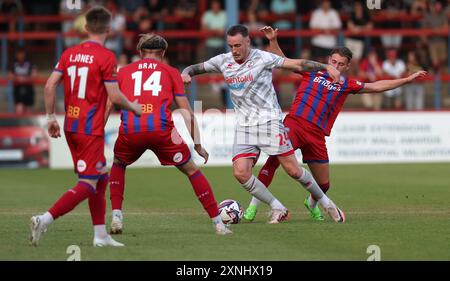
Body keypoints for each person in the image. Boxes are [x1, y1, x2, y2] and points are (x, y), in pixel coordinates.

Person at [243, 26, 427, 222]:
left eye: (341, 64)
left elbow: (376, 86)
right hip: (294, 124)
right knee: (273, 161)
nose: (336, 66)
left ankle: (312, 203)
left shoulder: (347, 84)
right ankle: (252, 208)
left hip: (316, 134)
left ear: (347, 67)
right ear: (328, 61)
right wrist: (273, 41)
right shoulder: (312, 72)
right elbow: (282, 61)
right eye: (333, 62)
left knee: (323, 184)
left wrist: (407, 79)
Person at [182, 24, 346, 224]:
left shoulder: (263, 58)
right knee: (241, 172)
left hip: (269, 122)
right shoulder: (223, 61)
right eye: (231, 46)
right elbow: (195, 68)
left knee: (293, 170)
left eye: (238, 45)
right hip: (244, 126)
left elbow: (297, 65)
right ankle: (277, 207)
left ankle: (327, 203)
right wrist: (186, 73)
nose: (234, 51)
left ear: (248, 42)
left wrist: (325, 66)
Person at [29, 7, 142, 247]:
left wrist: (50, 118)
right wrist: (134, 107)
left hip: (71, 126)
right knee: (88, 184)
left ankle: (100, 235)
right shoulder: (107, 57)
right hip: (90, 128)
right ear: (109, 29)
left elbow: (49, 86)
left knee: (101, 178)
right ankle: (44, 219)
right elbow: (114, 94)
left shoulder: (69, 53)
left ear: (86, 27)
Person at [107, 33, 232, 235]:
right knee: (191, 170)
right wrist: (198, 144)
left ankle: (116, 216)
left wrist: (96, 134)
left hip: (132, 129)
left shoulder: (123, 72)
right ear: (163, 53)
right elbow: (187, 113)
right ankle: (218, 224)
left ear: (140, 52)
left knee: (119, 164)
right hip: (161, 130)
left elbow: (108, 105)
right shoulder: (171, 72)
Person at [8, 47, 37, 114]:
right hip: (17, 88)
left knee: (29, 110)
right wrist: (18, 79)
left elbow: (34, 75)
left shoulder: (30, 62)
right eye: (19, 54)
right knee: (19, 109)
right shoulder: (13, 63)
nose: (20, 56)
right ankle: (19, 124)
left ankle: (28, 124)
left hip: (28, 88)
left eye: (22, 54)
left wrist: (25, 79)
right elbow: (10, 76)